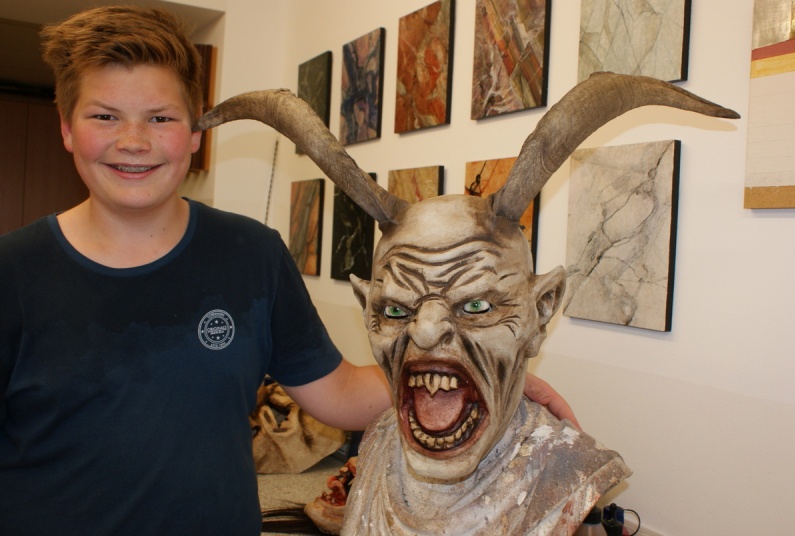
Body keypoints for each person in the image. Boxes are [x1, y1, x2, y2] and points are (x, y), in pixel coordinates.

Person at [0, 6, 577, 535]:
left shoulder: (250, 254)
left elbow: (340, 394)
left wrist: (479, 372)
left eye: (160, 117)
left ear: (194, 132)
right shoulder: (12, 273)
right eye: (105, 116)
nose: (133, 141)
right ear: (67, 127)